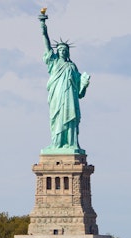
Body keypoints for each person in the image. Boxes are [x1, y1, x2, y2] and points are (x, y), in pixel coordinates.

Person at [40, 20, 90, 152]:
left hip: (69, 97)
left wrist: (84, 84)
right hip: (57, 96)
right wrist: (44, 31)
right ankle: (56, 144)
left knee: (70, 118)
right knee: (57, 119)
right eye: (60, 49)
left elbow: (80, 91)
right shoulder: (54, 62)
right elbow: (47, 47)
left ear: (68, 52)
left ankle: (71, 143)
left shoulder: (72, 66)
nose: (62, 51)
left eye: (64, 50)